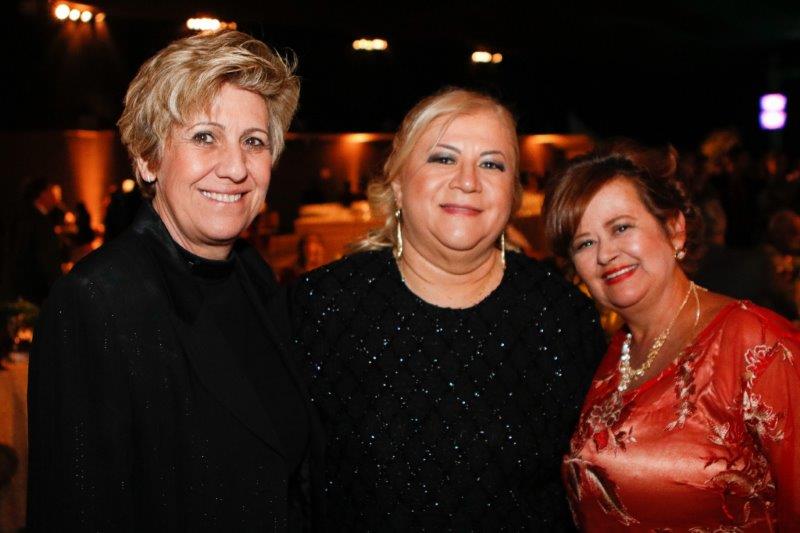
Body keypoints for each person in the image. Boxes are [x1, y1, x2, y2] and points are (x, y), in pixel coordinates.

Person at [28, 30, 322, 532]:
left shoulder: (252, 275)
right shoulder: (97, 300)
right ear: (148, 159)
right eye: (205, 136)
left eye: (253, 141)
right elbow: (78, 511)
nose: (235, 167)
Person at [291, 88, 605, 530]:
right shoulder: (322, 307)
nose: (468, 181)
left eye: (492, 164)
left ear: (513, 194)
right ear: (397, 184)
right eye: (443, 158)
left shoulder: (562, 317)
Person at [544, 141, 800, 531]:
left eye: (621, 227)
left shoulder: (756, 344)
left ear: (674, 229)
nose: (605, 254)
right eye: (585, 243)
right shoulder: (611, 355)